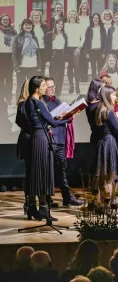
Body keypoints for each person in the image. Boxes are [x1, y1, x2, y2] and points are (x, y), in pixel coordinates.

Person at [24, 76, 74, 221]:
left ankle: (34, 207)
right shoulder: (38, 102)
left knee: (38, 173)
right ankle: (44, 209)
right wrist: (69, 118)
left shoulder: (29, 102)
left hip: (36, 137)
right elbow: (52, 121)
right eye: (44, 85)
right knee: (44, 173)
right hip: (42, 139)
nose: (46, 88)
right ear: (36, 88)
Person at [42, 77, 82, 206]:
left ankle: (67, 197)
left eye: (53, 86)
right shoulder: (42, 103)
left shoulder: (57, 101)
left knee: (62, 169)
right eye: (49, 87)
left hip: (60, 139)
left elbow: (61, 118)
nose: (53, 89)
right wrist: (65, 118)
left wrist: (71, 114)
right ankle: (47, 199)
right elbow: (50, 121)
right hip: (50, 140)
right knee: (49, 171)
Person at [15, 79, 34, 217]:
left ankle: (31, 203)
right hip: (29, 139)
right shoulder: (23, 104)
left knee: (32, 172)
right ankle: (29, 203)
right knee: (30, 172)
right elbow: (21, 121)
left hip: (30, 138)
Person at [12, 19, 42, 88]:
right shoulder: (17, 37)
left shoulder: (34, 38)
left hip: (33, 66)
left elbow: (38, 53)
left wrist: (39, 65)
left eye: (29, 25)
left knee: (32, 87)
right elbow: (14, 54)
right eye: (26, 25)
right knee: (20, 87)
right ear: (22, 26)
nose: (28, 26)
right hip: (22, 66)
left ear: (32, 26)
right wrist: (16, 67)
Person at [44, 18, 68, 95]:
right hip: (53, 56)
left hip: (62, 56)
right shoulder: (50, 34)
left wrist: (67, 60)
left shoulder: (64, 35)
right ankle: (52, 94)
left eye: (61, 24)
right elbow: (47, 48)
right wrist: (47, 60)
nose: (60, 25)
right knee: (54, 77)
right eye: (58, 24)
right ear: (55, 24)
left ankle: (58, 95)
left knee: (61, 77)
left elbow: (66, 48)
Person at [64, 10, 84, 94]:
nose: (72, 16)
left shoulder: (79, 26)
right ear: (68, 15)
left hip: (76, 48)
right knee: (69, 67)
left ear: (76, 16)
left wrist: (79, 48)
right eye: (71, 14)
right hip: (67, 49)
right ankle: (71, 85)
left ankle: (77, 86)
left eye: (74, 14)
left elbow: (83, 38)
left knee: (76, 67)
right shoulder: (65, 25)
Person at [84, 13, 107, 79]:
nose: (95, 19)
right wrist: (86, 52)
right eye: (94, 18)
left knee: (100, 68)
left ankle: (100, 82)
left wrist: (104, 52)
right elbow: (86, 41)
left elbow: (105, 41)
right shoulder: (89, 29)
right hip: (92, 51)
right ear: (92, 19)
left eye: (97, 18)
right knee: (93, 68)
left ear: (99, 19)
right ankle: (94, 82)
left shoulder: (102, 28)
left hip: (100, 51)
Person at [0, 14, 17, 102]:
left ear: (9, 21)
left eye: (7, 19)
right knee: (1, 79)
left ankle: (9, 97)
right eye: (4, 19)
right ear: (1, 21)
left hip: (10, 57)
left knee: (9, 78)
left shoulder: (13, 32)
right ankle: (2, 97)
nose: (5, 21)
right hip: (0, 57)